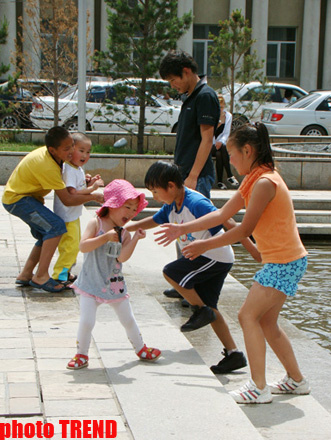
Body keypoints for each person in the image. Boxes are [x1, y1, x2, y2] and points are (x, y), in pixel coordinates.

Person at [155, 123, 310, 404]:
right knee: (266, 322)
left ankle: (258, 388)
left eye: (231, 153)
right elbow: (221, 214)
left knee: (247, 316)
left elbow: (242, 230)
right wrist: (180, 229)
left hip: (284, 262)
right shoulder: (254, 178)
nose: (228, 160)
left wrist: (203, 245)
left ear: (247, 151)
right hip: (285, 260)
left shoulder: (264, 183)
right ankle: (296, 380)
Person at [126, 160, 262, 374]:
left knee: (171, 272)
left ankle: (200, 310)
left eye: (155, 191)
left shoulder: (196, 202)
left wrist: (253, 250)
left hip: (213, 256)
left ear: (171, 186)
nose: (154, 196)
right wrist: (126, 227)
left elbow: (228, 222)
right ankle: (234, 354)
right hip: (207, 257)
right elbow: (154, 220)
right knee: (211, 306)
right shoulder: (171, 205)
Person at [67, 179, 161, 369]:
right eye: (127, 207)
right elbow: (83, 247)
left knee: (128, 319)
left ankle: (141, 348)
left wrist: (135, 239)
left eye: (134, 209)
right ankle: (81, 354)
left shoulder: (123, 232)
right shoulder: (96, 223)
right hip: (90, 284)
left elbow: (122, 258)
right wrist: (104, 237)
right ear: (112, 205)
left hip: (114, 284)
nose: (131, 212)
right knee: (87, 321)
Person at [2, 126, 104, 293]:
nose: (72, 151)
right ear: (52, 150)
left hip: (25, 198)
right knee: (56, 227)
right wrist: (93, 196)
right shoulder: (47, 165)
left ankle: (26, 274)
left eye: (72, 145)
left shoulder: (56, 157)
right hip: (18, 200)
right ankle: (41, 276)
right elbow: (68, 199)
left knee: (46, 232)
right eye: (67, 148)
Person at [159, 50, 220, 200]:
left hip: (197, 177)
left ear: (186, 72)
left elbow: (207, 139)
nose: (173, 86)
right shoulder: (190, 97)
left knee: (198, 222)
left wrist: (193, 176)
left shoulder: (205, 96)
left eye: (173, 80)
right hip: (184, 174)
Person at [52, 132, 104, 285]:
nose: (85, 155)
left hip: (73, 216)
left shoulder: (77, 169)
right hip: (66, 217)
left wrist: (88, 184)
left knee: (73, 246)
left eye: (88, 152)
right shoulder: (68, 169)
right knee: (70, 247)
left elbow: (79, 188)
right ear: (70, 150)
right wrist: (93, 189)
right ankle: (59, 275)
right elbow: (72, 192)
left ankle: (65, 272)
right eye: (81, 150)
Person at [211, 95, 239, 189]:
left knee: (220, 153)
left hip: (220, 145)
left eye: (221, 107)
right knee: (222, 148)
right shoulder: (210, 116)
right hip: (210, 145)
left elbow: (226, 133)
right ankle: (230, 175)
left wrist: (221, 142)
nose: (220, 109)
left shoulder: (228, 116)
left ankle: (219, 181)